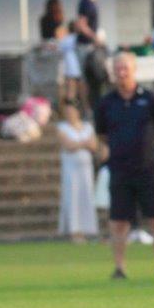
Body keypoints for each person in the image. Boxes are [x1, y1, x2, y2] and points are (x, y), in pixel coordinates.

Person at [94, 53, 154, 278]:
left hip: (147, 168)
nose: (121, 72)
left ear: (134, 70)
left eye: (125, 68)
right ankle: (119, 268)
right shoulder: (107, 103)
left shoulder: (149, 98)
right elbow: (102, 134)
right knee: (118, 221)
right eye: (117, 68)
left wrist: (150, 147)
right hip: (120, 168)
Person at [56, 100, 98, 243]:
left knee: (86, 196)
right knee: (72, 197)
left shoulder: (87, 127)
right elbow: (69, 145)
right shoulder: (62, 127)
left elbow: (94, 146)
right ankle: (74, 230)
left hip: (85, 167)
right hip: (70, 167)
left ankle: (88, 229)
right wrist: (83, 143)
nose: (70, 114)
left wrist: (82, 144)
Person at [76, 0, 107, 104]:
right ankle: (86, 106)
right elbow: (81, 25)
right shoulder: (86, 2)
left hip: (91, 45)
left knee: (95, 76)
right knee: (86, 76)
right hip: (85, 45)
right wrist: (95, 38)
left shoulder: (92, 2)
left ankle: (94, 102)